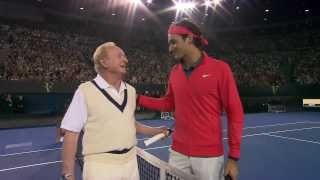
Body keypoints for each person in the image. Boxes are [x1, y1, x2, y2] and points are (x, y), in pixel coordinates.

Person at [137, 20, 244, 180]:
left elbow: (235, 112)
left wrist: (233, 157)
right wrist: (138, 98)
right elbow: (168, 103)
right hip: (177, 152)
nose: (170, 48)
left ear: (189, 39)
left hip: (209, 157)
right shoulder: (174, 71)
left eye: (174, 42)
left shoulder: (220, 69)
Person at [60, 42, 168, 180]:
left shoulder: (131, 90)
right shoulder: (85, 90)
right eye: (119, 56)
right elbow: (71, 133)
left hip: (131, 164)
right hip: (100, 167)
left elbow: (131, 124)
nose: (126, 60)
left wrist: (156, 131)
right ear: (104, 62)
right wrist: (68, 174)